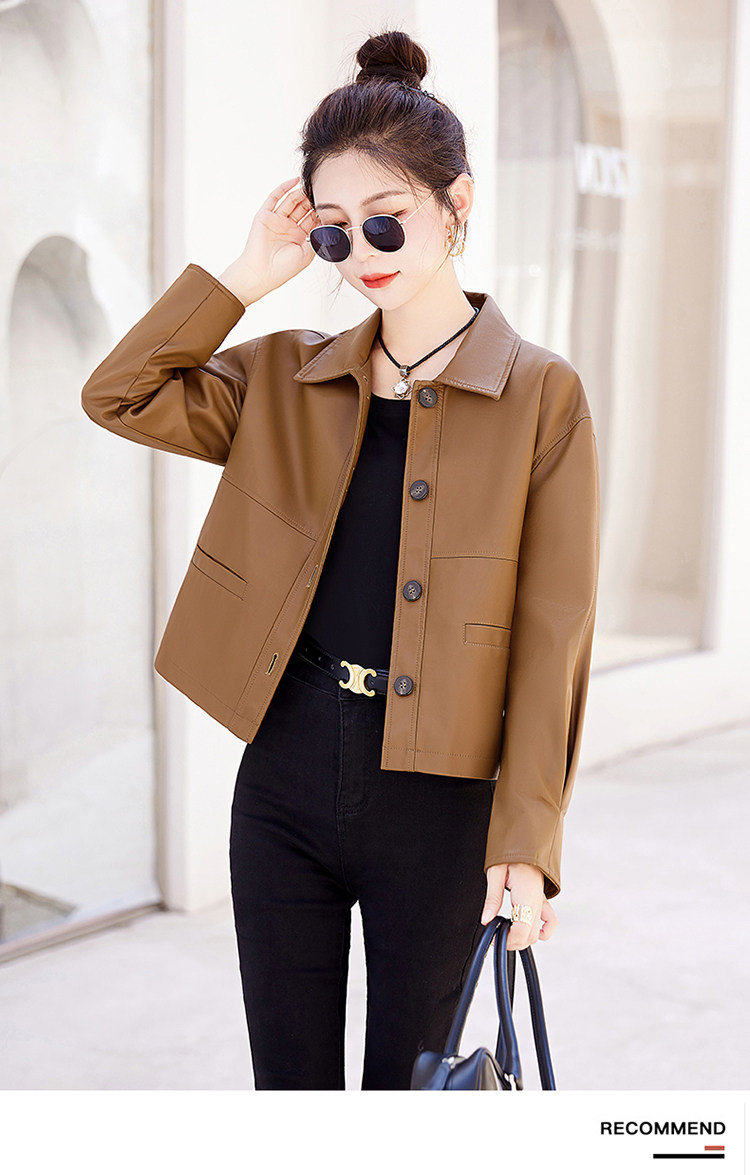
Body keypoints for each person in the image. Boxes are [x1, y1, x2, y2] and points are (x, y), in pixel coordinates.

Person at [81, 29, 600, 1090]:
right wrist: (247, 274)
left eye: (387, 218)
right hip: (285, 776)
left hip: (441, 806)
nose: (363, 249)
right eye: (332, 230)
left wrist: (528, 842)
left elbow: (555, 635)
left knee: (408, 1098)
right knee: (290, 1097)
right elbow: (119, 394)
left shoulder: (542, 396)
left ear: (457, 204)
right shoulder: (284, 377)